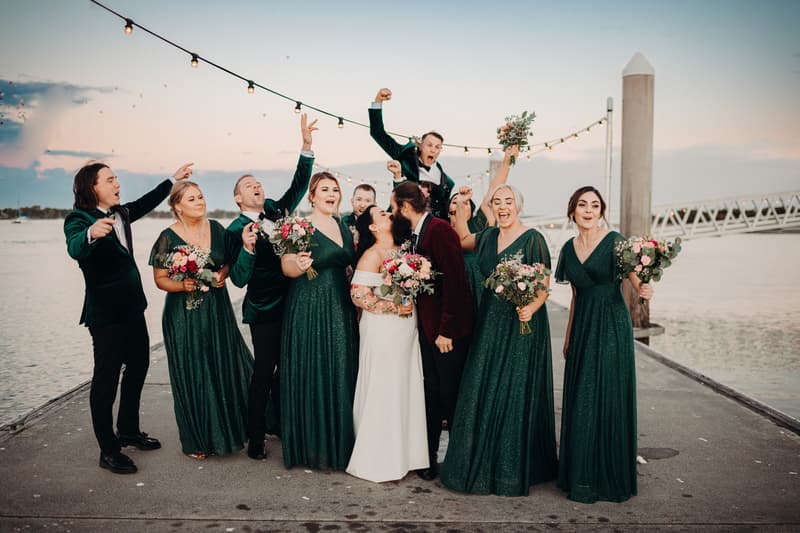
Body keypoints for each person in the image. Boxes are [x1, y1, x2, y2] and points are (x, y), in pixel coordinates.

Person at [64, 160, 193, 474]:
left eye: (116, 178)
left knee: (139, 366)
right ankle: (108, 450)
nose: (117, 183)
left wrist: (171, 181)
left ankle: (129, 430)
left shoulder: (121, 213)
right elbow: (74, 246)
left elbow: (145, 203)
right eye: (109, 179)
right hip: (106, 315)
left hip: (134, 308)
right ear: (91, 187)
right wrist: (91, 234)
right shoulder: (78, 219)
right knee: (106, 380)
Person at [441, 184, 558, 496]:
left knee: (514, 387)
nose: (503, 207)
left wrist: (530, 308)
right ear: (491, 207)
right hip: (490, 319)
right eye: (497, 202)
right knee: (480, 383)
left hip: (523, 322)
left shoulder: (534, 239)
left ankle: (510, 468)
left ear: (518, 206)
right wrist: (463, 209)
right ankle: (478, 464)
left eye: (508, 201)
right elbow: (463, 239)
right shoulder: (489, 236)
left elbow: (544, 285)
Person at [226, 114, 317, 460]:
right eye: (249, 185)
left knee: (288, 365)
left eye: (258, 183)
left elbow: (297, 187)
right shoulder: (235, 230)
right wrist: (248, 249)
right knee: (264, 371)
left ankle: (277, 421)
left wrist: (306, 148)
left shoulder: (278, 212)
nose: (257, 187)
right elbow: (238, 279)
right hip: (263, 308)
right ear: (238, 198)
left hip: (293, 301)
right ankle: (256, 435)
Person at [555, 186, 653, 503]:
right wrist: (569, 337)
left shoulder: (615, 241)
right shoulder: (568, 249)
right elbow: (574, 297)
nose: (588, 210)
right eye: (582, 204)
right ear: (572, 211)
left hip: (611, 325)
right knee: (582, 396)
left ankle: (609, 477)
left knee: (608, 394)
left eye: (595, 205)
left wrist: (646, 288)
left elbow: (635, 278)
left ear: (601, 211)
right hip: (583, 326)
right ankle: (580, 474)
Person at [149, 181, 257, 459]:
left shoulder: (218, 230)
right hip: (183, 313)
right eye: (192, 199)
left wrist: (223, 272)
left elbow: (229, 262)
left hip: (218, 309)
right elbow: (160, 279)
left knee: (223, 365)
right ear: (177, 206)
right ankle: (196, 439)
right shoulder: (167, 237)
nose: (200, 202)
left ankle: (231, 431)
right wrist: (182, 285)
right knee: (193, 372)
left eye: (201, 196)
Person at [389, 181, 473, 480]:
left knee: (450, 398)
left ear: (406, 206)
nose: (392, 211)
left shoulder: (438, 230)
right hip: (427, 329)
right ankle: (429, 460)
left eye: (394, 206)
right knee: (433, 395)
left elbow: (456, 282)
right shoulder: (415, 234)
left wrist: (447, 330)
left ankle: (462, 463)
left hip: (446, 333)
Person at [280, 172, 359, 470]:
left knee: (339, 366)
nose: (331, 193)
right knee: (313, 367)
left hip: (339, 304)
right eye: (324, 189)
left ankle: (339, 441)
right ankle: (312, 446)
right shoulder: (298, 225)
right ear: (312, 195)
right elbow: (286, 265)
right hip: (309, 303)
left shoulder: (341, 224)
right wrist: (297, 265)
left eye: (335, 189)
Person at [346, 205, 429, 482]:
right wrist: (393, 308)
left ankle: (407, 455)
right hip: (383, 329)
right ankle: (379, 456)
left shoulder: (405, 249)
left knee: (406, 385)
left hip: (406, 329)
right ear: (372, 227)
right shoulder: (372, 255)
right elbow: (359, 296)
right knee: (385, 385)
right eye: (381, 213)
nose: (388, 214)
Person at [447, 145, 519, 313]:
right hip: (455, 295)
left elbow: (494, 189)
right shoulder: (443, 232)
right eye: (455, 201)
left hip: (483, 291)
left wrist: (507, 161)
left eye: (465, 201)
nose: (461, 203)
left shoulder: (479, 225)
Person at [370, 87, 454, 220]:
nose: (433, 150)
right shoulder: (404, 157)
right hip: (400, 222)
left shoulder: (448, 182)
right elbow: (378, 133)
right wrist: (378, 101)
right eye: (429, 145)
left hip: (428, 230)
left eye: (437, 147)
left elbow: (444, 213)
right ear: (420, 146)